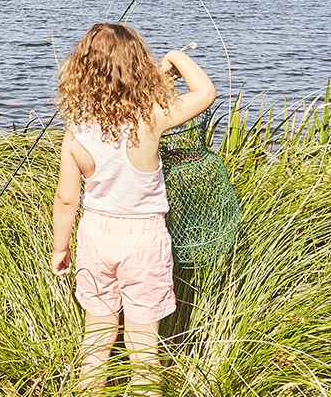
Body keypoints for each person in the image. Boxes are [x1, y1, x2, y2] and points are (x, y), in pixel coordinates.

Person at [48, 23, 215, 392]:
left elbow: (66, 198)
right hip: (144, 240)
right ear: (138, 67)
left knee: (95, 343)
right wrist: (173, 58)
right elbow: (205, 92)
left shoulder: (75, 129)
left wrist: (61, 247)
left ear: (82, 72)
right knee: (143, 349)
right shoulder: (152, 117)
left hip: (95, 235)